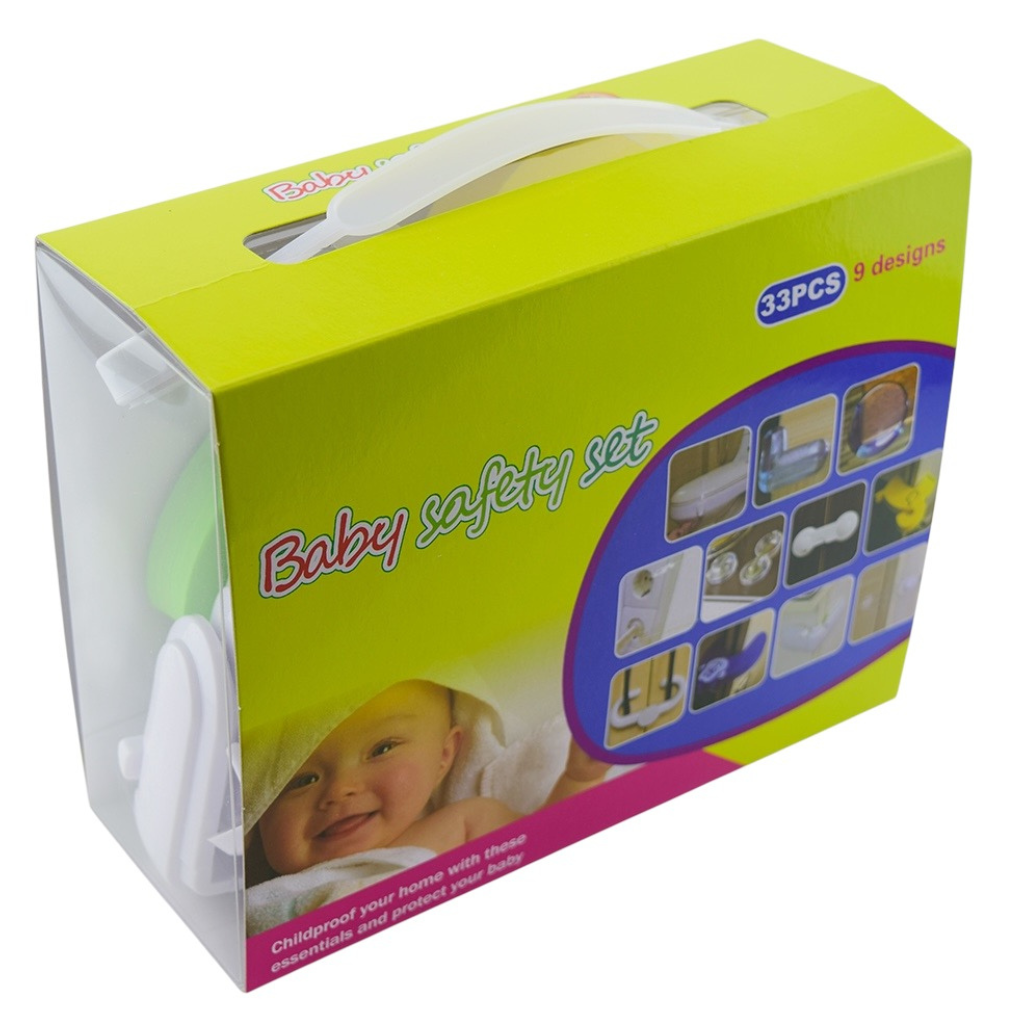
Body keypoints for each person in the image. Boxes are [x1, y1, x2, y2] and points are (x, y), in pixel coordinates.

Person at [252, 678, 609, 882]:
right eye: (301, 780)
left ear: (444, 754)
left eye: (381, 750)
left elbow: (541, 845)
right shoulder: (255, 896)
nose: (340, 789)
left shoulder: (461, 825)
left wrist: (578, 779)